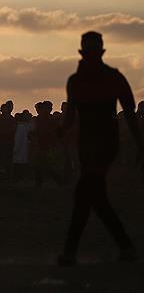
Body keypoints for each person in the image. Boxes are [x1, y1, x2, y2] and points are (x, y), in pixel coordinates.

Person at [56, 32, 144, 266]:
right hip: (90, 145)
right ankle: (125, 247)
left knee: (85, 194)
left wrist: (140, 144)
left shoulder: (100, 79)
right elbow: (70, 118)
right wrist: (57, 133)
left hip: (104, 145)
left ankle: (71, 252)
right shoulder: (85, 80)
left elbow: (130, 114)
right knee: (93, 196)